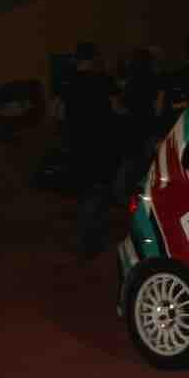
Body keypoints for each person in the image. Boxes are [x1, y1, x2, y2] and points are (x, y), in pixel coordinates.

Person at [61, 41, 122, 260]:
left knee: (84, 191)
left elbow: (59, 113)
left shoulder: (68, 82)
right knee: (99, 192)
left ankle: (87, 237)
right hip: (100, 143)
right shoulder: (104, 81)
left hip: (77, 143)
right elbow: (117, 108)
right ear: (94, 58)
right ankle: (91, 239)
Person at [116, 47, 164, 201]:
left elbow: (121, 104)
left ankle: (123, 194)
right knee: (145, 162)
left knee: (129, 160)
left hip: (131, 124)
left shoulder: (129, 80)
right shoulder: (154, 79)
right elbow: (158, 106)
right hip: (147, 123)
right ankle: (141, 195)